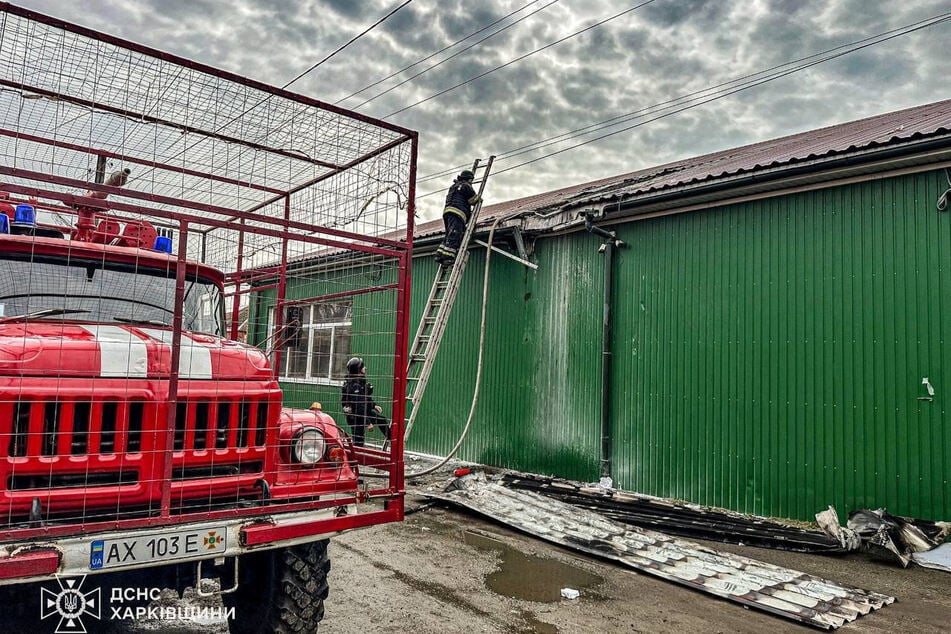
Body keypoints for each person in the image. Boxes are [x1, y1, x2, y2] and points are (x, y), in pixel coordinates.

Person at [340, 356, 391, 447]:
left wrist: (373, 405)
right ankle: (356, 457)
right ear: (358, 370)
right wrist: (367, 423)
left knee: (381, 420)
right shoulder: (354, 386)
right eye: (363, 367)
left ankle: (392, 439)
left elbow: (364, 398)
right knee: (358, 440)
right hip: (356, 417)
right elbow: (358, 407)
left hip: (363, 412)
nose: (365, 368)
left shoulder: (360, 382)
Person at [434, 169, 481, 267]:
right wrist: (479, 198)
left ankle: (439, 255)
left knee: (449, 234)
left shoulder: (453, 186)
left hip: (447, 212)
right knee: (455, 235)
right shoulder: (466, 186)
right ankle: (448, 258)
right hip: (458, 213)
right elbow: (474, 200)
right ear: (469, 179)